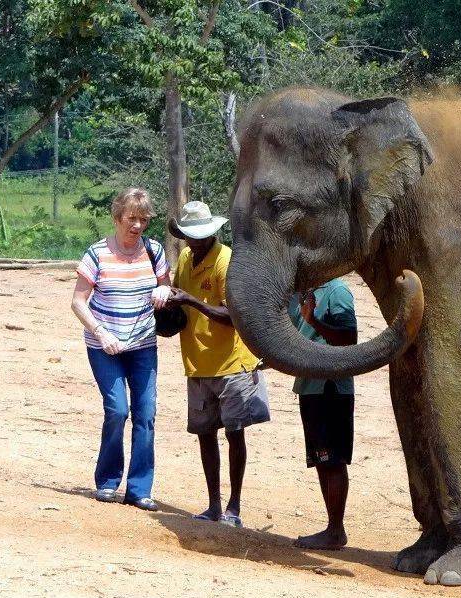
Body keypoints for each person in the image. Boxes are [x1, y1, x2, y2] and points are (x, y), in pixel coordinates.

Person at [165, 200, 271, 528]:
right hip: (197, 361)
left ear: (211, 232)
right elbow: (179, 309)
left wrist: (190, 300)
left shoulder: (227, 261)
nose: (194, 241)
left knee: (235, 433)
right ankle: (213, 504)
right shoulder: (183, 259)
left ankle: (234, 506)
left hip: (232, 361)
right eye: (189, 235)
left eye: (199, 235)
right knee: (205, 433)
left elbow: (234, 316)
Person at [71, 187, 171, 511]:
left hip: (143, 345)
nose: (138, 225)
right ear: (117, 218)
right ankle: (108, 481)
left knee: (146, 414)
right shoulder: (97, 254)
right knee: (117, 410)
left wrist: (164, 291)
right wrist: (100, 333)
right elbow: (77, 301)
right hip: (105, 346)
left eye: (143, 219)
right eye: (132, 218)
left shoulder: (155, 251)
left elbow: (166, 284)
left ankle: (139, 489)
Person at [288, 279, 358, 550]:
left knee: (333, 460)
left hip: (331, 386)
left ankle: (335, 529)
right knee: (321, 459)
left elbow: (348, 338)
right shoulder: (301, 292)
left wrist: (314, 321)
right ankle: (332, 527)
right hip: (309, 385)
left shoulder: (336, 292)